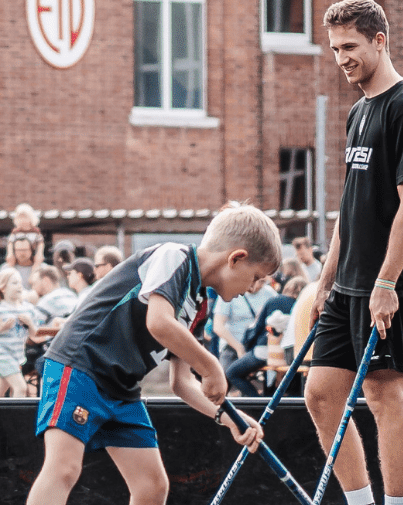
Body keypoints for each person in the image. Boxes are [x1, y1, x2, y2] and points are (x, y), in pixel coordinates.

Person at [25, 203, 276, 505]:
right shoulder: (173, 256)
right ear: (236, 258)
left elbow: (182, 383)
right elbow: (158, 322)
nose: (253, 288)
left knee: (152, 486)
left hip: (121, 389)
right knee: (64, 469)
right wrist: (211, 366)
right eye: (256, 277)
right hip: (80, 367)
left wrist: (230, 418)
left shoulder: (199, 306)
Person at [307, 0, 403, 505]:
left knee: (385, 394)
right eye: (335, 49)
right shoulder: (358, 111)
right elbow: (350, 206)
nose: (341, 58)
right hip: (347, 285)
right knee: (321, 395)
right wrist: (324, 283)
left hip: (386, 284)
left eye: (350, 46)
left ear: (379, 41)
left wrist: (386, 283)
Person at [227, 276, 303, 396]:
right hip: (292, 355)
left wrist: (248, 347)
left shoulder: (274, 301)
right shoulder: (301, 305)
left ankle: (257, 401)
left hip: (266, 351)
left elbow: (257, 328)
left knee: (232, 373)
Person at [0, 269, 36, 398]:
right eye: (14, 283)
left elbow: (34, 334)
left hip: (16, 356)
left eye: (20, 283)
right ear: (3, 288)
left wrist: (30, 323)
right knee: (21, 388)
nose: (19, 286)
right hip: (2, 356)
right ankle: (17, 412)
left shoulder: (27, 309)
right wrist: (0, 329)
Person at [213, 274, 272, 372]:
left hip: (256, 348)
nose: (257, 285)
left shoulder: (270, 294)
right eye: (256, 280)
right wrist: (238, 348)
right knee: (227, 375)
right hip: (232, 346)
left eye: (262, 282)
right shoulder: (231, 291)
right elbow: (218, 326)